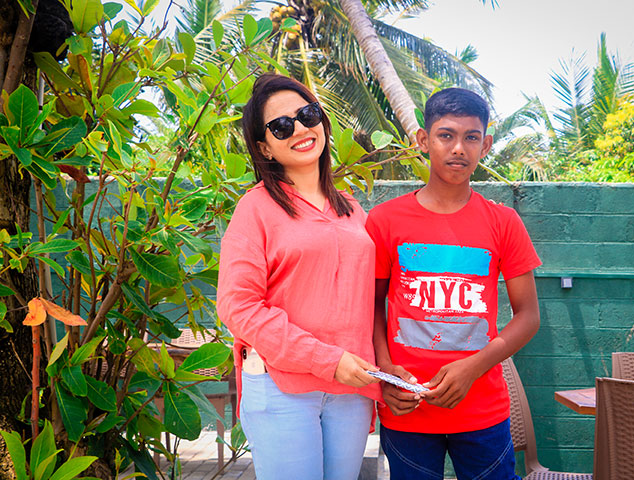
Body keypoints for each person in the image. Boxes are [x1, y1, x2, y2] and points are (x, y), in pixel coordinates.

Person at [365, 87, 542, 480]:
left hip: (482, 410)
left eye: (471, 137)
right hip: (407, 408)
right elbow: (371, 306)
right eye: (446, 135)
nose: (459, 148)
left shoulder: (503, 222)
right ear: (423, 140)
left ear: (486, 145)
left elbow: (529, 316)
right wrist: (385, 369)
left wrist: (474, 367)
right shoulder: (384, 221)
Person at [216, 73, 381, 480]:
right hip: (282, 387)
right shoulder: (255, 209)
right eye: (281, 126)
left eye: (307, 115)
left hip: (351, 388)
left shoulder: (353, 211)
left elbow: (373, 299)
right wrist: (327, 360)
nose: (300, 129)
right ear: (264, 147)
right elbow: (238, 306)